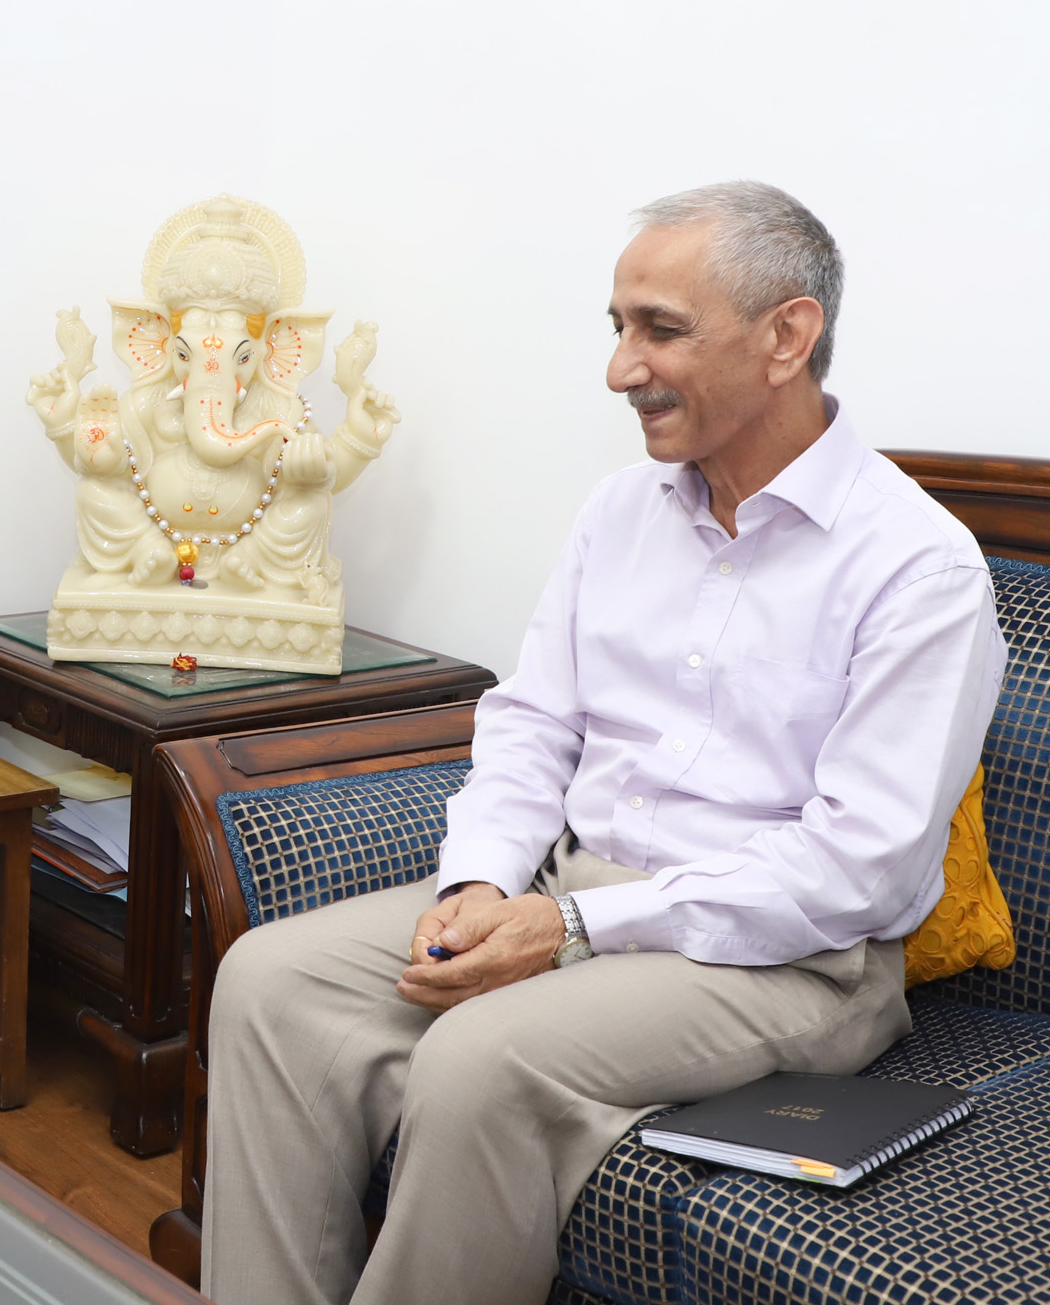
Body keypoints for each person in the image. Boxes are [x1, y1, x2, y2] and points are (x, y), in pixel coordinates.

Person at [199, 181, 1009, 1305]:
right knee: (270, 979)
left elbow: (854, 875)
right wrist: (481, 879)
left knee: (483, 1060)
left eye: (659, 330)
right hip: (577, 895)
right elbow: (533, 724)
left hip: (789, 962)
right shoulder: (619, 512)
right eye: (618, 327)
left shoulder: (919, 568)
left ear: (788, 337)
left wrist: (570, 928)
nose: (621, 368)